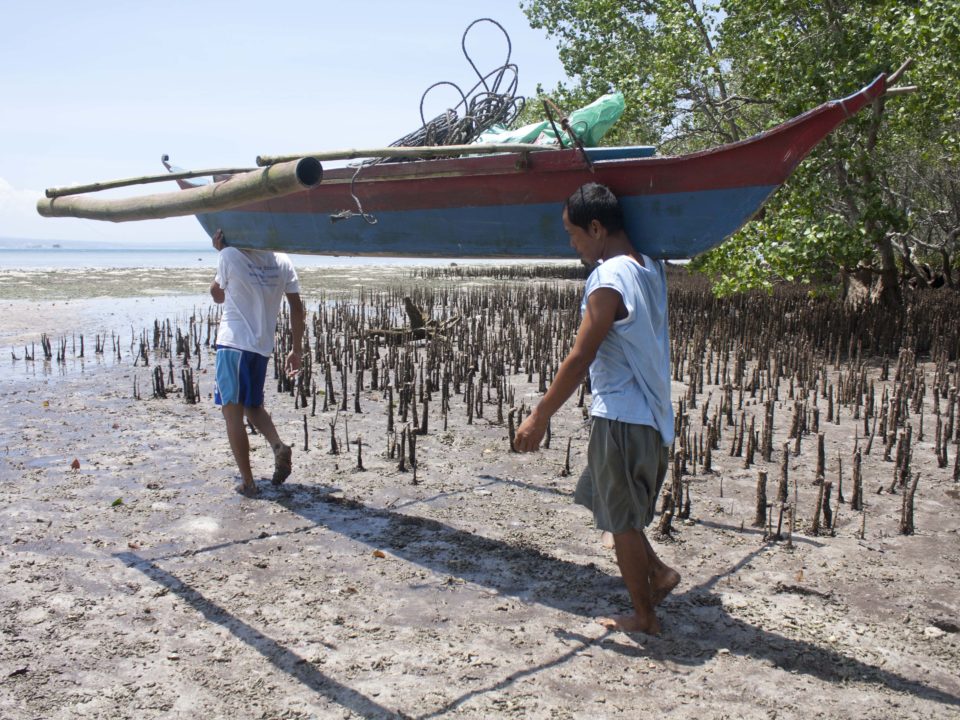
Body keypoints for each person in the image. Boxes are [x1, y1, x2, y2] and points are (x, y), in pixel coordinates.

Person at [514, 183, 680, 634]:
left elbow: (580, 356)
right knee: (605, 500)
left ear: (595, 228)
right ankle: (658, 572)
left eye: (573, 234)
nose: (573, 245)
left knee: (620, 522)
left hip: (623, 419)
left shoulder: (608, 278)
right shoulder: (649, 266)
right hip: (648, 417)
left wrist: (539, 416)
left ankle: (644, 617)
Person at [209, 228, 304, 497]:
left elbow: (217, 295)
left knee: (232, 413)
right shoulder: (282, 260)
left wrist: (220, 253)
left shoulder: (229, 254)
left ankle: (248, 482)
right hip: (261, 348)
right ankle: (277, 445)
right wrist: (296, 349)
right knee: (252, 406)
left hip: (233, 344)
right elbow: (297, 308)